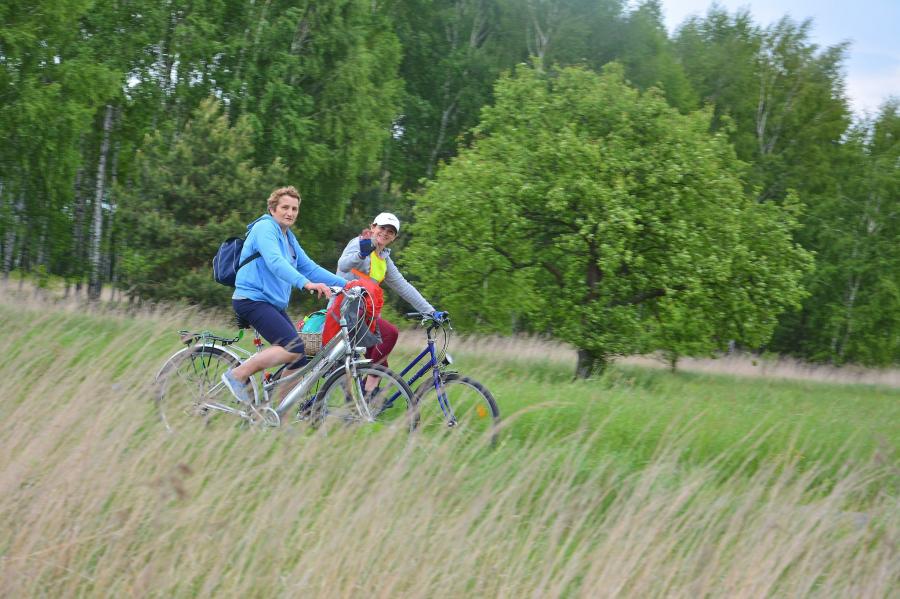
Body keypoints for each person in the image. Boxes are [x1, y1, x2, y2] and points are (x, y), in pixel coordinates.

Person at [221, 186, 347, 403]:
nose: (290, 213)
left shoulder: (288, 237)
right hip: (251, 300)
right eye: (285, 208)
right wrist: (306, 284)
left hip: (271, 304)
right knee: (293, 347)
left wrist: (349, 285)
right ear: (272, 209)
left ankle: (278, 411)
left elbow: (309, 267)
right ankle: (237, 375)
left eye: (294, 209)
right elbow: (275, 262)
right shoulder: (264, 228)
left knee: (300, 357)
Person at [335, 212, 443, 372]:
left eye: (390, 231)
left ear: (394, 237)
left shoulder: (384, 258)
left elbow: (403, 286)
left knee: (380, 364)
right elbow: (343, 265)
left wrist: (431, 311)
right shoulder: (359, 243)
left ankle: (369, 387)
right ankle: (366, 385)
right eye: (382, 228)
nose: (385, 233)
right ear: (373, 227)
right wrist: (361, 254)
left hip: (365, 315)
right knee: (390, 334)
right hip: (347, 310)